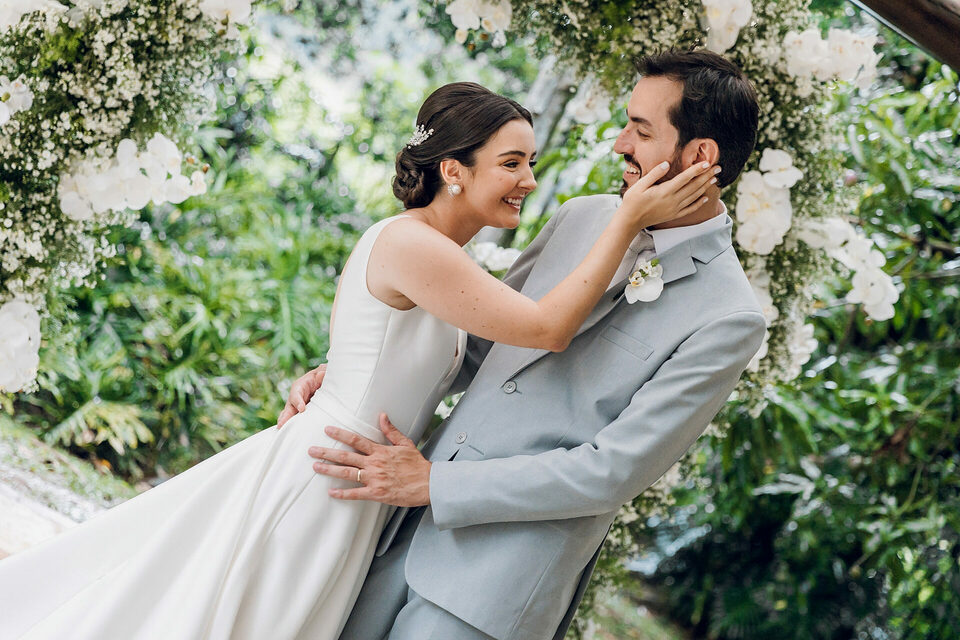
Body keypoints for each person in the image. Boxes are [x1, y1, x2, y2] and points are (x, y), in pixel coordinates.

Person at [0, 82, 714, 640]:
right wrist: (627, 220)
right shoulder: (416, 246)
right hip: (324, 481)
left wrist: (337, 367)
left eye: (530, 162)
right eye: (512, 162)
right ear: (454, 170)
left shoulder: (443, 253)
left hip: (358, 487)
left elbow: (442, 349)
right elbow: (545, 329)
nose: (529, 179)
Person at [282, 50, 768, 640]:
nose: (619, 144)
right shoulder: (583, 218)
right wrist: (351, 369)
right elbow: (479, 344)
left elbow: (611, 471)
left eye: (640, 130)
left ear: (700, 156)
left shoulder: (730, 316)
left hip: (496, 586)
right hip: (393, 530)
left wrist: (436, 484)